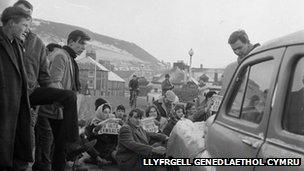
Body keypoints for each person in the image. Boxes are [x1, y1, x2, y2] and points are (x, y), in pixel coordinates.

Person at [33, 29, 94, 171]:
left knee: (59, 150)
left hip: (58, 112)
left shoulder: (69, 58)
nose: (83, 48)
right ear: (71, 42)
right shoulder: (61, 55)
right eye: (81, 44)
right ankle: (74, 144)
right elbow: (54, 82)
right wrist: (64, 103)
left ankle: (72, 147)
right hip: (50, 112)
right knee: (45, 151)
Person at [0, 6, 32, 170]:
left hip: (18, 108)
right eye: (25, 25)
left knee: (17, 154)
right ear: (12, 23)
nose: (27, 30)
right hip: (4, 108)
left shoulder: (17, 45)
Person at [220, 30, 260, 95]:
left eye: (240, 48)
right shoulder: (234, 66)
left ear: (247, 43)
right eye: (234, 49)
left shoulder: (260, 59)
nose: (237, 52)